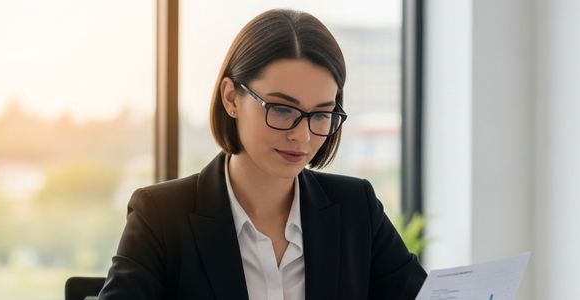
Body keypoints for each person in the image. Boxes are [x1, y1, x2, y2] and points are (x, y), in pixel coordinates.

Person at [98, 8, 427, 300]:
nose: (302, 135)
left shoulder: (356, 208)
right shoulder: (161, 216)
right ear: (231, 98)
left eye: (321, 114)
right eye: (282, 109)